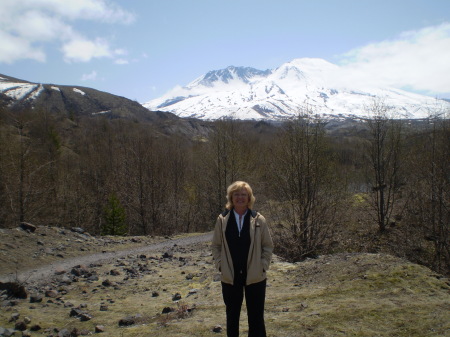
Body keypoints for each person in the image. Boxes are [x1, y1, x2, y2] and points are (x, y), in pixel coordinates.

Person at [212, 181, 274, 337]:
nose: (240, 198)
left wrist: (263, 265)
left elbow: (268, 246)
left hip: (255, 276)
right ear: (231, 197)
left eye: (243, 194)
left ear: (249, 198)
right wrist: (220, 266)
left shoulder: (259, 220)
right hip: (230, 277)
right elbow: (216, 246)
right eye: (236, 194)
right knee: (232, 317)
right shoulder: (222, 220)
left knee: (256, 318)